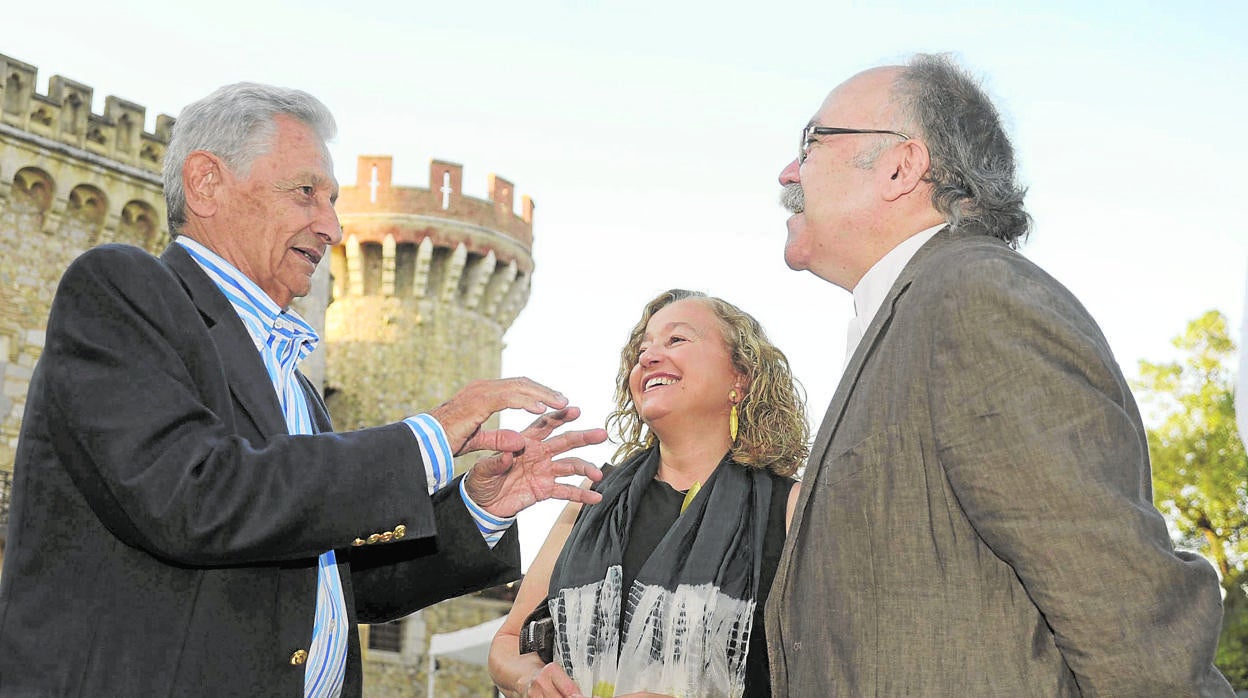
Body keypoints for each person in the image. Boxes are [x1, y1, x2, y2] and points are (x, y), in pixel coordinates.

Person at [0, 82, 607, 696]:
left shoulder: (294, 387)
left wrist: (477, 508)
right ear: (207, 183)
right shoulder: (120, 292)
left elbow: (342, 584)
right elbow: (191, 497)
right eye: (306, 192)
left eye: (333, 200)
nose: (333, 226)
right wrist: (430, 434)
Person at [766, 52, 1234, 696]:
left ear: (902, 165)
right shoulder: (914, 312)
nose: (789, 171)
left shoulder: (974, 295)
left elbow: (1123, 608)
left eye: (812, 142)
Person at [489, 289, 810, 698]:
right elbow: (508, 639)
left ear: (740, 377)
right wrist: (528, 677)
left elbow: (829, 671)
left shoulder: (788, 510)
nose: (648, 357)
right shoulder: (592, 498)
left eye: (676, 340)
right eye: (643, 348)